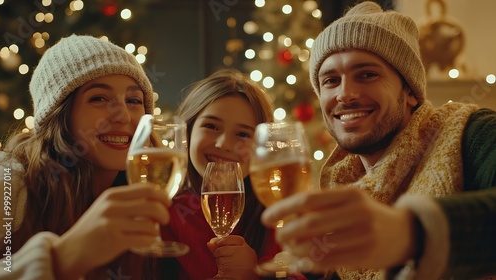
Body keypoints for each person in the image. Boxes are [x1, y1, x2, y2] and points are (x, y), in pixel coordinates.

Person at [259, 1, 496, 280]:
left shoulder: (474, 132)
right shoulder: (340, 183)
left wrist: (411, 232)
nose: (345, 95)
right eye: (331, 81)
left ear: (410, 91)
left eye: (367, 75)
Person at [0, 34, 172, 279]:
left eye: (133, 100)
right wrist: (62, 258)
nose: (123, 115)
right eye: (98, 98)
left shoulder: (146, 197)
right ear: (59, 115)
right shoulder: (8, 183)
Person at [158, 68, 285, 280]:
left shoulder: (277, 218)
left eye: (243, 134)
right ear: (187, 132)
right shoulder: (164, 216)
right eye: (211, 126)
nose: (224, 144)